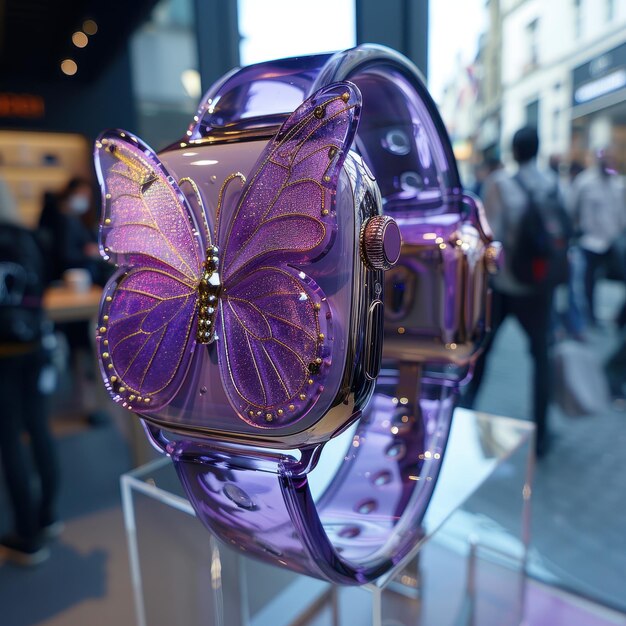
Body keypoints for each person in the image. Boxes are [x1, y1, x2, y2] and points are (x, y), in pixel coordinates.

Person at [459, 126, 558, 457]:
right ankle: (542, 434)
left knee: (482, 347)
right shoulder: (552, 183)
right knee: (541, 357)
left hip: (502, 286)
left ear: (514, 152)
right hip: (538, 287)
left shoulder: (499, 184)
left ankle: (466, 410)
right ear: (537, 149)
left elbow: (490, 236)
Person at [0, 180, 60, 566]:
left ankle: (26, 534)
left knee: (9, 439)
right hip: (35, 346)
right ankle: (47, 516)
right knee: (38, 429)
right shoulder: (30, 237)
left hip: (2, 354)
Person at [568, 148, 626, 325]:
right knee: (588, 282)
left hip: (614, 240)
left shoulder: (618, 183)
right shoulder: (584, 182)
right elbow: (571, 209)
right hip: (591, 241)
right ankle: (590, 317)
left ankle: (620, 318)